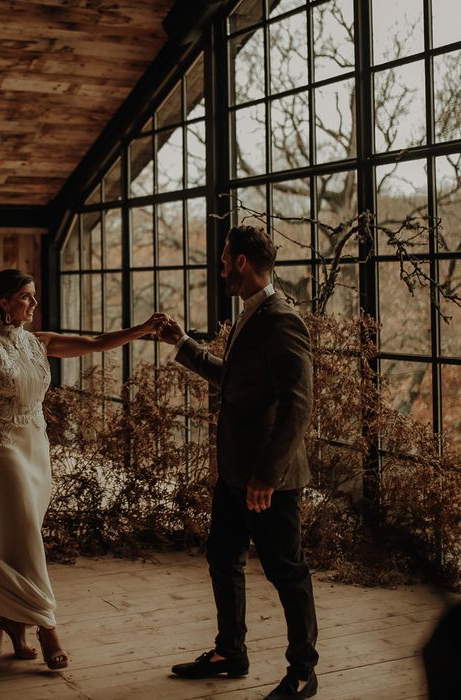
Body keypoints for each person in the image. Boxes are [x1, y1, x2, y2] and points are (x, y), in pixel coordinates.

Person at [0, 268, 166, 671]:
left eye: (33, 296)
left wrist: (142, 328)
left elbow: (96, 343)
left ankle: (12, 619)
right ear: (3, 303)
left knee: (19, 537)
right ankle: (46, 624)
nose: (33, 304)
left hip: (37, 445)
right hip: (4, 446)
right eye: (25, 297)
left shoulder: (41, 342)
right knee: (23, 531)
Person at [158, 225, 319, 699]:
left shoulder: (281, 319)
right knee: (222, 559)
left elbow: (299, 404)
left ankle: (304, 672)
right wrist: (183, 343)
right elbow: (233, 381)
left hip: (268, 480)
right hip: (234, 473)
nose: (222, 266)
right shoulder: (253, 313)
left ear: (242, 262)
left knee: (287, 572)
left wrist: (267, 476)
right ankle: (231, 651)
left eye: (226, 258)